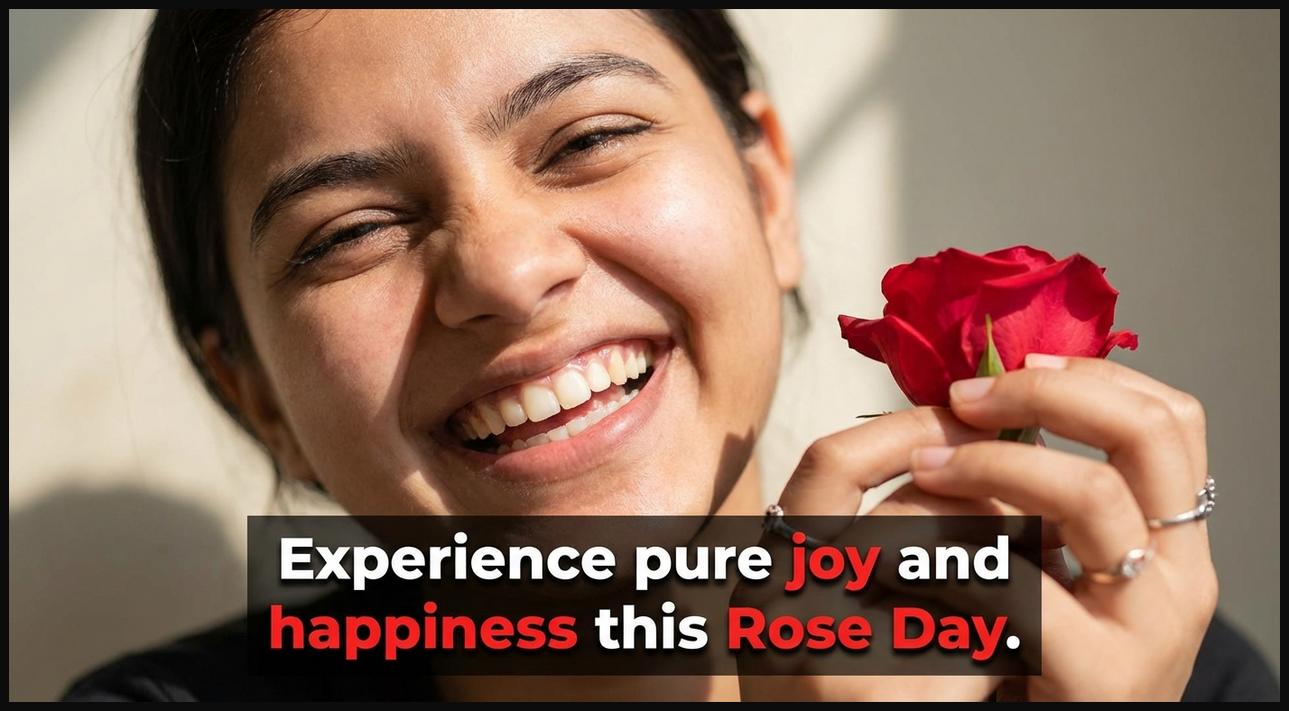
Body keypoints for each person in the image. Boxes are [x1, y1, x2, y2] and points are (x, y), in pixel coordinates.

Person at [65, 9, 1277, 701]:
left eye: (587, 137)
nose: (499, 270)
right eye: (353, 232)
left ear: (767, 195)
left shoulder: (1122, 668)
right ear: (252, 395)